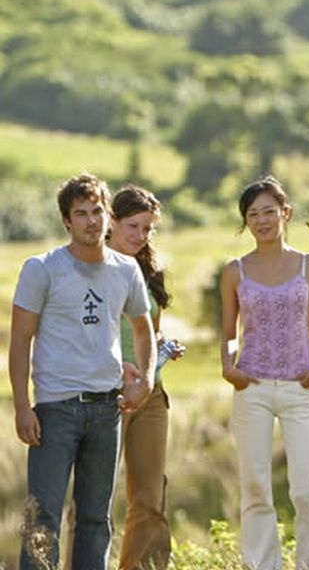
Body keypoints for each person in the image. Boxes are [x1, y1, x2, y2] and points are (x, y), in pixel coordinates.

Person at [9, 172, 154, 570]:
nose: (92, 220)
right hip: (55, 410)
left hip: (107, 410)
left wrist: (147, 378)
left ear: (108, 215)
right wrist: (24, 407)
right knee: (44, 518)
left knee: (95, 520)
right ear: (67, 222)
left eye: (97, 211)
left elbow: (143, 330)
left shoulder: (126, 270)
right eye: (81, 213)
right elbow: (20, 342)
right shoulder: (42, 269)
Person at [219, 176, 309, 570]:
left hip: (301, 386)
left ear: (285, 213)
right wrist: (227, 366)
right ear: (245, 222)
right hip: (252, 387)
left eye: (269, 211)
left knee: (306, 489)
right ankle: (262, 565)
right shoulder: (234, 271)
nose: (262, 220)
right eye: (253, 214)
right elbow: (229, 333)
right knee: (254, 486)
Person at [108, 186, 181, 569]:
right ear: (111, 222)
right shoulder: (92, 266)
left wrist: (164, 347)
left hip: (151, 393)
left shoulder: (148, 269)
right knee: (94, 500)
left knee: (151, 499)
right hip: (109, 394)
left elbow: (147, 333)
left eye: (148, 229)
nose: (140, 236)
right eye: (133, 226)